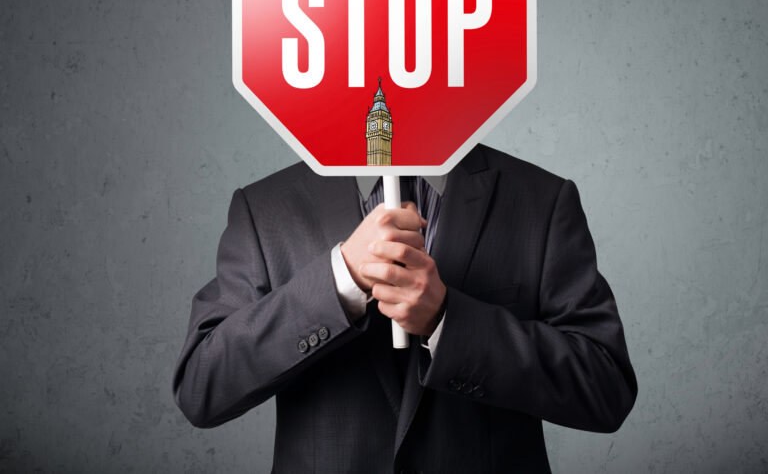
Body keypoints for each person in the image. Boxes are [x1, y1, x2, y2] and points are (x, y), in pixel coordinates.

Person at [173, 144, 637, 473]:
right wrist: (340, 280)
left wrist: (448, 322)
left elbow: (606, 388)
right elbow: (201, 386)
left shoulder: (541, 199)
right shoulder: (266, 208)